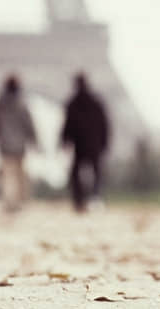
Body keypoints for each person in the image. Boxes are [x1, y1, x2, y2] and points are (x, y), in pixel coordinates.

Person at [0, 75, 37, 212]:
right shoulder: (22, 103)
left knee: (7, 175)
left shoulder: (1, 104)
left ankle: (9, 201)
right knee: (19, 174)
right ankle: (19, 201)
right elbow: (29, 124)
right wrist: (34, 140)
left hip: (5, 145)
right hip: (20, 145)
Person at [60, 72, 111, 212]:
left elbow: (67, 126)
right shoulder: (96, 103)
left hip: (79, 145)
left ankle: (79, 200)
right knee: (97, 172)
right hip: (94, 144)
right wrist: (104, 143)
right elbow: (104, 125)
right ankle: (95, 197)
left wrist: (64, 141)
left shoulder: (72, 103)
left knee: (76, 172)